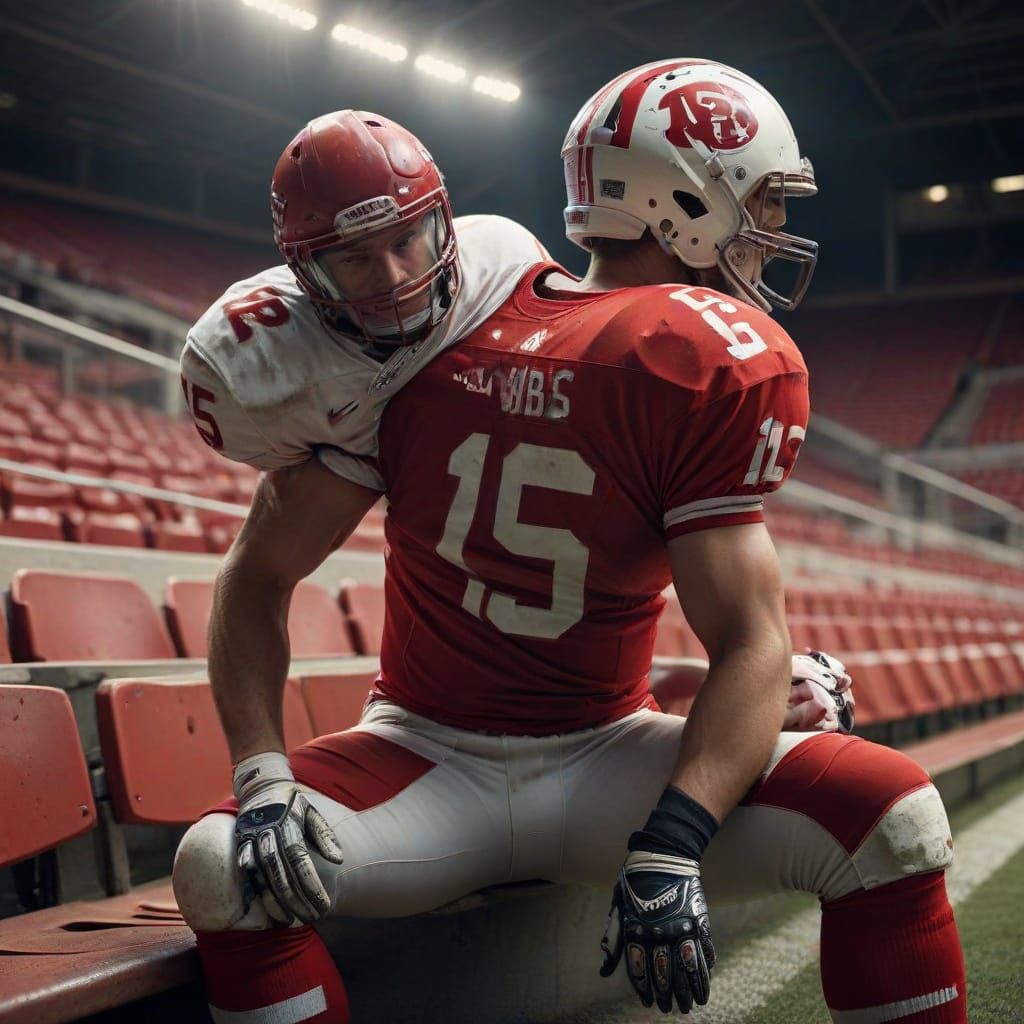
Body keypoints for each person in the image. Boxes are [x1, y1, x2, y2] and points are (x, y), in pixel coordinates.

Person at [174, 64, 965, 1024]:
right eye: (755, 199)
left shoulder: (434, 334)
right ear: (684, 199)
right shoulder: (480, 333)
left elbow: (730, 646)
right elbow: (749, 641)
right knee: (223, 865)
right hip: (440, 752)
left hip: (593, 748)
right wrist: (261, 778)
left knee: (893, 814)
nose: (765, 228)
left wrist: (676, 822)